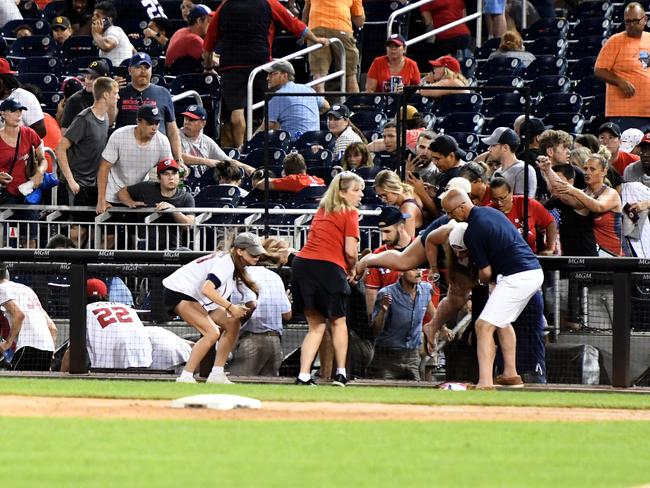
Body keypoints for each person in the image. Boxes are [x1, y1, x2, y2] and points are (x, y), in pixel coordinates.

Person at [441, 189, 544, 388]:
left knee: (483, 326)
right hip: (531, 272)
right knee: (502, 321)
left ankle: (485, 383)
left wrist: (476, 281)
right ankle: (510, 374)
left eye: (450, 212)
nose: (449, 216)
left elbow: (486, 273)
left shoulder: (473, 230)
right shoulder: (491, 212)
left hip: (517, 276)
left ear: (462, 207)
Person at [202, 0, 330, 148]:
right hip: (260, 64)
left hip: (231, 65)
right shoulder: (268, 2)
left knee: (236, 112)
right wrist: (315, 39)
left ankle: (239, 150)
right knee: (269, 108)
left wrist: (208, 66)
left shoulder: (225, 5)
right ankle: (266, 146)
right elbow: (293, 22)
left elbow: (208, 42)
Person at [293, 171, 364, 386]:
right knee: (338, 321)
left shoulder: (322, 210)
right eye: (356, 190)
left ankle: (304, 375)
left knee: (315, 326)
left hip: (302, 265)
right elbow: (351, 252)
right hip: (328, 268)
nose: (361, 195)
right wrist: (352, 269)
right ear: (342, 193)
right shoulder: (349, 213)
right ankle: (341, 373)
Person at [162, 232, 264, 383]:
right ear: (240, 251)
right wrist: (231, 307)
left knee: (232, 323)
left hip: (195, 296)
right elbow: (207, 289)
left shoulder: (231, 261)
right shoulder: (226, 263)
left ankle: (217, 374)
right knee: (211, 333)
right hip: (179, 292)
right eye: (252, 253)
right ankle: (186, 376)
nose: (256, 257)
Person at [56, 76, 119, 245]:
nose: (118, 97)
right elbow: (60, 149)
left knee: (96, 232)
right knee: (77, 233)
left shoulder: (105, 118)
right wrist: (71, 181)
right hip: (77, 185)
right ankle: (66, 268)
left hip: (92, 185)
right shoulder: (84, 119)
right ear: (106, 95)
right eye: (115, 93)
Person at [228, 240, 292, 377]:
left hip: (250, 340)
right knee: (268, 390)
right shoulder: (275, 277)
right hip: (274, 343)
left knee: (238, 386)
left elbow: (237, 314)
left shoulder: (240, 275)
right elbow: (287, 314)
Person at [540, 153, 624, 256]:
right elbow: (562, 192)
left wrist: (575, 191)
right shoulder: (582, 194)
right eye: (585, 169)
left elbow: (598, 206)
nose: (587, 172)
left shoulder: (611, 193)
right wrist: (548, 170)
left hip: (610, 256)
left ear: (604, 171)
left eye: (592, 169)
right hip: (590, 253)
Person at [96, 104, 172, 216]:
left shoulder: (162, 141)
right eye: (150, 123)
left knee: (137, 232)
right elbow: (104, 167)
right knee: (110, 233)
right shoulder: (119, 135)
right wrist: (101, 199)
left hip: (139, 193)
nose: (154, 127)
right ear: (139, 121)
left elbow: (168, 169)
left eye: (157, 123)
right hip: (113, 191)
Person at [114, 52, 182, 164]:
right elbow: (110, 120)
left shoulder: (163, 92)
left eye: (146, 67)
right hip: (126, 154)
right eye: (138, 67)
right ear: (130, 70)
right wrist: (112, 91)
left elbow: (172, 131)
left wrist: (178, 159)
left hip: (156, 156)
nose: (143, 71)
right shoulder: (120, 92)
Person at [369, 268, 435, 380]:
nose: (418, 272)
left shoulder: (426, 289)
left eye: (420, 268)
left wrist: (442, 328)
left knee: (416, 393)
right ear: (401, 272)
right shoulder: (386, 294)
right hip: (387, 356)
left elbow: (431, 309)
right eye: (413, 269)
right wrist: (383, 310)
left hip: (412, 356)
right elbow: (375, 330)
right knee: (383, 393)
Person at [117, 158, 195, 250]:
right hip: (144, 246)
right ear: (159, 178)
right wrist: (130, 202)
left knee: (187, 252)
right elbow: (122, 192)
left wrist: (172, 210)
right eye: (166, 174)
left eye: (174, 173)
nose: (171, 177)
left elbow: (189, 225)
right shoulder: (147, 187)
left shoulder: (186, 197)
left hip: (173, 249)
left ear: (179, 176)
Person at [595, 2, 650, 132]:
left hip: (647, 110)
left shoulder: (648, 39)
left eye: (635, 21)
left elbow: (645, 68)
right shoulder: (615, 41)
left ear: (645, 19)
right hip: (625, 112)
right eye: (627, 21)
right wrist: (620, 81)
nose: (631, 25)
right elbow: (599, 70)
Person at [0, 99, 48, 247]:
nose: (18, 114)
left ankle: (30, 269)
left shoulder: (29, 133)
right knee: (9, 238)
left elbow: (43, 159)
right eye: (13, 111)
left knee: (31, 237)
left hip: (28, 193)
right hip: (6, 194)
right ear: (2, 113)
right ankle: (7, 269)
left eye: (20, 111)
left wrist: (39, 172)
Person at [84, 278, 152, 369]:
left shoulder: (86, 310)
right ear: (106, 295)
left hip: (108, 364)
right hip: (142, 357)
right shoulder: (126, 307)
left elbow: (72, 352)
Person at [179, 104, 253, 187]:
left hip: (201, 186)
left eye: (192, 120)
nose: (187, 122)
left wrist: (246, 167)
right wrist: (207, 161)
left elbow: (227, 161)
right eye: (186, 119)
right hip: (181, 185)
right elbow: (178, 156)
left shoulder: (207, 141)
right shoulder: (175, 136)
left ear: (203, 124)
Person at [0, 262, 56, 371]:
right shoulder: (26, 289)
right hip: (48, 346)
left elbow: (19, 315)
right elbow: (52, 327)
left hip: (29, 345)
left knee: (13, 383)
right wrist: (51, 351)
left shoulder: (1, 288)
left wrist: (8, 343)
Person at [257, 60, 329, 141]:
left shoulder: (278, 96)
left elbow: (265, 128)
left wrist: (248, 143)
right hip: (316, 141)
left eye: (272, 74)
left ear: (284, 75)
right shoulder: (307, 89)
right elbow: (326, 106)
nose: (267, 78)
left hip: (294, 146)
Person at [303, 0, 365, 93]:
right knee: (350, 75)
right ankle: (354, 106)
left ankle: (320, 107)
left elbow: (306, 10)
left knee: (319, 76)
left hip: (316, 27)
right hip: (342, 27)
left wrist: (304, 34)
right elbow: (359, 22)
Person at [364, 206, 415, 316]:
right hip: (392, 321)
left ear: (401, 227)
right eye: (381, 232)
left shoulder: (420, 249)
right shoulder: (378, 255)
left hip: (423, 321)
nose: (383, 237)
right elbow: (371, 292)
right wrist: (373, 320)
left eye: (387, 231)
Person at [489, 177, 557, 255]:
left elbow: (550, 222)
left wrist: (550, 249)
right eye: (495, 199)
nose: (499, 203)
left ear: (510, 193)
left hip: (529, 256)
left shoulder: (527, 204)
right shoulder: (489, 211)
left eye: (502, 198)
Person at [482, 127, 537, 197]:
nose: (489, 149)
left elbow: (523, 203)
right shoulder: (497, 172)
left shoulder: (523, 170)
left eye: (493, 145)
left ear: (505, 147)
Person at [60, 58, 112, 132]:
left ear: (104, 80)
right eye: (87, 77)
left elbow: (110, 123)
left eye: (93, 78)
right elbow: (64, 131)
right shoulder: (74, 100)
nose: (88, 81)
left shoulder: (112, 97)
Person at [0, 58, 46, 138]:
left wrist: (15, 143)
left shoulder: (25, 97)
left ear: (2, 80)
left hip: (18, 148)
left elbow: (40, 131)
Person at [374, 169, 424, 237]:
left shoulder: (407, 209)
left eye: (385, 195)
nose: (383, 199)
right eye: (380, 196)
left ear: (394, 189)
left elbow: (407, 241)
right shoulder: (410, 192)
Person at [165, 5, 213, 69]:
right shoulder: (194, 39)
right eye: (208, 21)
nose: (211, 25)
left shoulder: (180, 31)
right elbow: (213, 62)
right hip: (182, 75)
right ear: (199, 21)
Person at [91, 1, 135, 67]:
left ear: (108, 19)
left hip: (117, 72)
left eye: (97, 16)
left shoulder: (113, 30)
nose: (93, 18)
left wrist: (96, 33)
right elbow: (134, 51)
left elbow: (106, 46)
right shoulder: (113, 32)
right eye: (93, 15)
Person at [253, 152, 325, 192]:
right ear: (305, 167)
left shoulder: (293, 180)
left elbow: (261, 184)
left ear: (285, 171)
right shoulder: (319, 180)